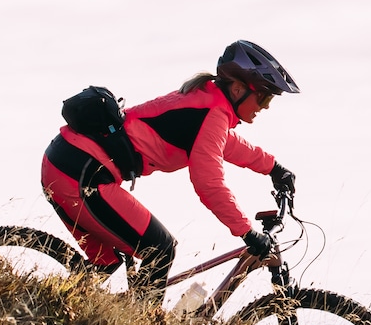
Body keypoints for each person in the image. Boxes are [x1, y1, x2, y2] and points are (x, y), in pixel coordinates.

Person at [40, 40, 300, 298]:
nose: (265, 106)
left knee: (106, 262)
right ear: (237, 89)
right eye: (264, 97)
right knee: (160, 249)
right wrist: (246, 231)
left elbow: (224, 145)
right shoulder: (212, 113)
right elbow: (208, 183)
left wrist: (273, 168)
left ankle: (43, 308)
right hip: (80, 173)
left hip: (67, 163)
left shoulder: (208, 104)